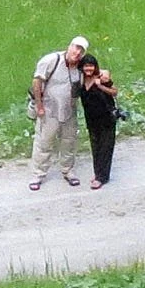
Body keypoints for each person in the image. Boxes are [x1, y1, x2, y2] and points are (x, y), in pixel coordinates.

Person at [29, 36, 88, 190]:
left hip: (69, 111)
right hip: (49, 110)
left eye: (81, 50)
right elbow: (37, 81)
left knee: (69, 142)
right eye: (75, 47)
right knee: (44, 142)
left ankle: (68, 171)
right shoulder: (51, 60)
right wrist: (39, 106)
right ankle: (38, 174)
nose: (77, 52)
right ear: (69, 46)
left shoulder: (81, 68)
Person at [78, 54, 119, 189]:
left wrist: (100, 86)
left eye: (91, 65)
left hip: (106, 119)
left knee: (105, 148)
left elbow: (114, 92)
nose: (88, 68)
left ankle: (102, 177)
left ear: (95, 66)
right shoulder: (81, 81)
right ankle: (98, 173)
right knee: (95, 148)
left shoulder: (101, 78)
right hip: (92, 121)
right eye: (86, 66)